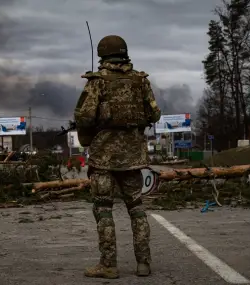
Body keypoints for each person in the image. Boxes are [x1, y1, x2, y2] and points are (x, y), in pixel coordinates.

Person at [74, 34, 161, 279]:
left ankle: (109, 265)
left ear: (103, 54)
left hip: (103, 156)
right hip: (134, 155)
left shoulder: (97, 81)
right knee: (136, 208)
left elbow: (85, 116)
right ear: (124, 53)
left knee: (103, 209)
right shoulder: (140, 81)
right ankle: (143, 262)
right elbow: (154, 115)